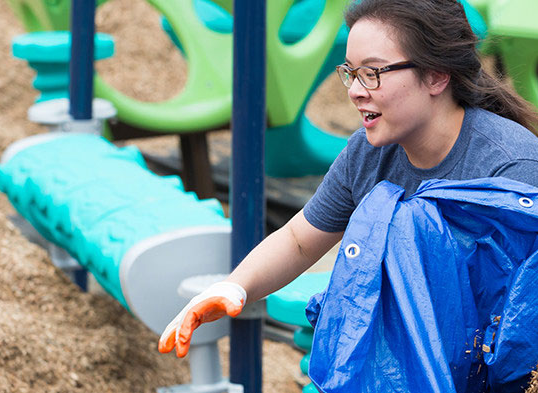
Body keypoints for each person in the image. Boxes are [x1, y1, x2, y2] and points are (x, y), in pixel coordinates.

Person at [158, 0, 538, 362]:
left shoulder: (510, 168)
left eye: (372, 73)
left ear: (436, 75)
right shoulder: (369, 152)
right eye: (351, 73)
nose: (355, 91)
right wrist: (233, 286)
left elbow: (516, 321)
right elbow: (299, 241)